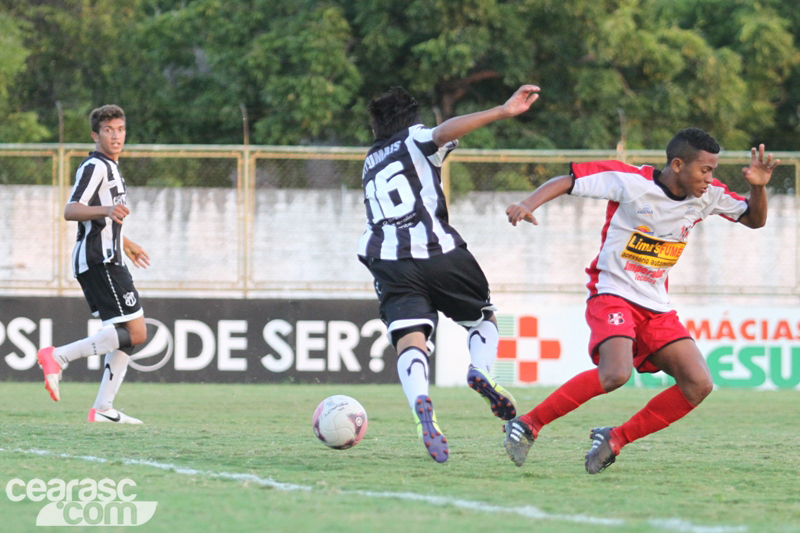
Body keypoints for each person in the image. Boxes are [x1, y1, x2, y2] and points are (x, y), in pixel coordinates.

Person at [503, 128, 779, 473]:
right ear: (677, 164)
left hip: (656, 306)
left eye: (713, 170)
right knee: (615, 373)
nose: (710, 178)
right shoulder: (630, 183)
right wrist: (527, 204)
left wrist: (758, 186)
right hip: (612, 293)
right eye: (705, 170)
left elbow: (754, 219)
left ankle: (614, 439)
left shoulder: (707, 196)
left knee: (698, 384)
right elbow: (568, 180)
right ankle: (528, 424)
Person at [358, 85, 540, 462]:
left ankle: (421, 403)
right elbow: (442, 133)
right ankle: (480, 370)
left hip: (388, 260)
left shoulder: (370, 161)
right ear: (411, 119)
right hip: (439, 252)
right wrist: (502, 111)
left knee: (411, 340)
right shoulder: (413, 138)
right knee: (482, 319)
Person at [36, 104, 151, 424]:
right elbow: (72, 210)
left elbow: (107, 217)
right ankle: (58, 356)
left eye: (120, 129)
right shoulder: (95, 166)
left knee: (129, 332)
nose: (115, 136)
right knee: (137, 333)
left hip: (110, 256)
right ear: (95, 135)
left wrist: (125, 242)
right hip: (99, 260)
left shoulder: (112, 168)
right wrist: (105, 212)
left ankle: (103, 408)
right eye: (108, 130)